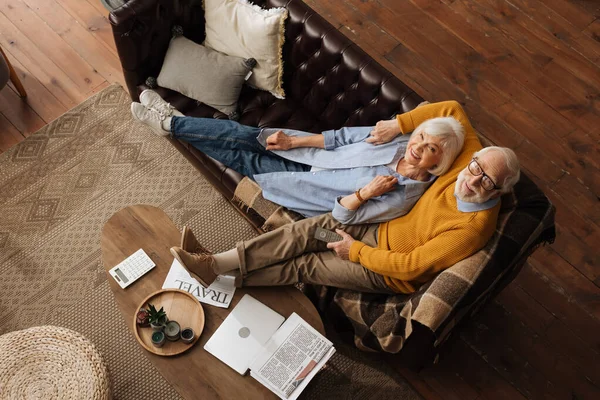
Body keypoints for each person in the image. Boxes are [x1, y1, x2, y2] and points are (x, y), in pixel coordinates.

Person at [168, 100, 520, 294]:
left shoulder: (473, 226)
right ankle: (214, 265)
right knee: (306, 233)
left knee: (304, 264)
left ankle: (221, 279)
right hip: (369, 227)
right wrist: (400, 125)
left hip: (380, 267)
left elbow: (412, 267)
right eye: (475, 167)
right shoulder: (465, 165)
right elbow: (454, 109)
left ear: (500, 191)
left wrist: (357, 251)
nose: (472, 180)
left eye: (486, 181)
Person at [131, 90, 464, 224]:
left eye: (430, 148)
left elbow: (341, 217)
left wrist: (365, 194)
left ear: (438, 162)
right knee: (249, 136)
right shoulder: (399, 139)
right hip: (311, 153)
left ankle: (171, 122)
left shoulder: (400, 196)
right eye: (421, 136)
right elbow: (345, 136)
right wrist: (294, 142)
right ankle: (172, 122)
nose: (418, 146)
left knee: (242, 158)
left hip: (303, 185)